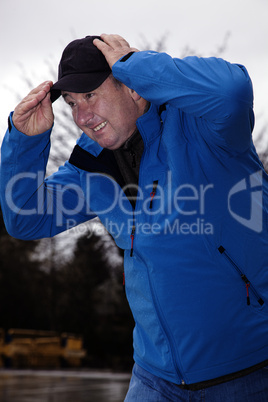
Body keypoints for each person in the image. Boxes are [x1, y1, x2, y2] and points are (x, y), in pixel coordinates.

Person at [1, 34, 268, 401]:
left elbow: (232, 91)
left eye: (90, 95)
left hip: (249, 368)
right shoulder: (90, 167)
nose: (81, 116)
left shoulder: (204, 130)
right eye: (72, 103)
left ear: (133, 89)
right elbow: (24, 218)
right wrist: (24, 141)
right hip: (154, 377)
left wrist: (138, 65)